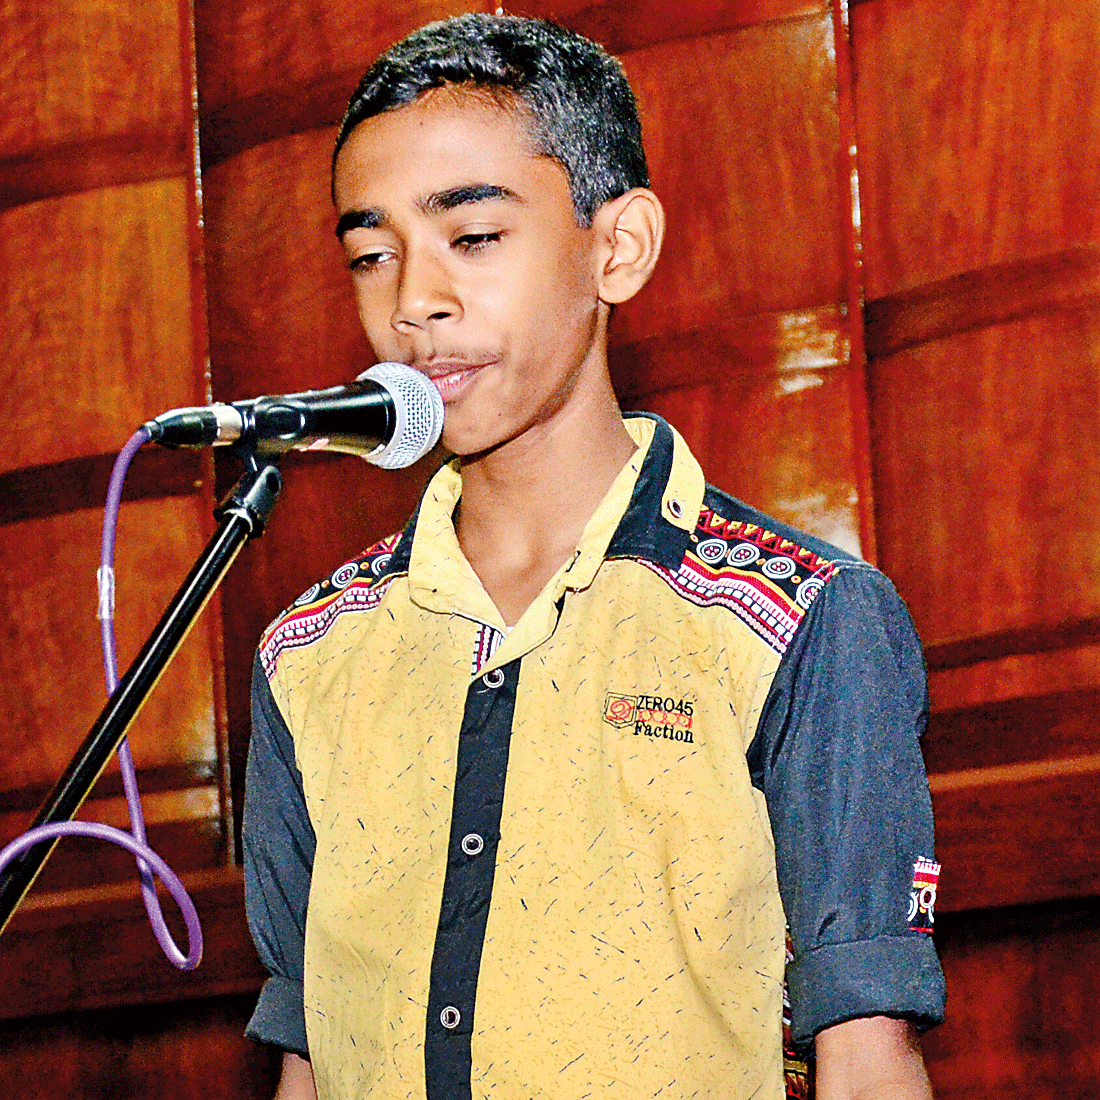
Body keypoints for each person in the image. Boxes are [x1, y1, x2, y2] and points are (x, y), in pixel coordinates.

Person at [242, 13, 946, 1100]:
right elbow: (309, 1057)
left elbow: (866, 1064)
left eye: (474, 236)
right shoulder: (309, 653)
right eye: (371, 254)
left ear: (617, 248)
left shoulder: (801, 619)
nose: (414, 301)